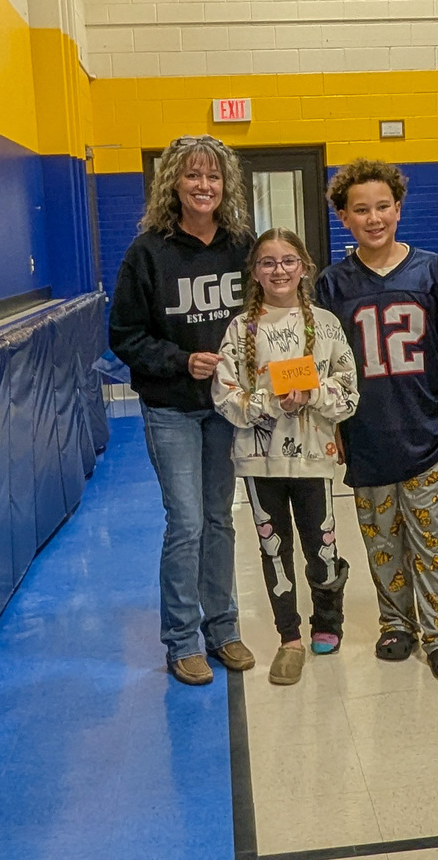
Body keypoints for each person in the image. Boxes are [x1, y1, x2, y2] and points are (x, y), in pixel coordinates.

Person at [315, 159, 438, 680]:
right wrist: (334, 428)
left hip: (428, 428)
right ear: (343, 216)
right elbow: (328, 368)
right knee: (381, 539)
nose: (374, 217)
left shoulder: (431, 271)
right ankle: (396, 623)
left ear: (399, 209)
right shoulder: (331, 285)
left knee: (433, 537)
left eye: (383, 206)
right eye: (361, 209)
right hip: (367, 433)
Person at [109, 134, 255, 686]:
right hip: (171, 407)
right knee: (188, 522)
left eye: (213, 177)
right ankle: (182, 640)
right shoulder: (148, 252)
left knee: (220, 518)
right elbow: (123, 335)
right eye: (193, 176)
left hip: (225, 408)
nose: (203, 186)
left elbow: (267, 315)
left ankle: (223, 628)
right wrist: (178, 360)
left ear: (225, 186)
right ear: (174, 181)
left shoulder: (241, 245)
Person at [212, 228, 358, 686]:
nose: (279, 270)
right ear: (255, 272)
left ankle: (327, 624)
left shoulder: (327, 324)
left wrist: (312, 393)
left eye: (288, 261)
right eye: (268, 262)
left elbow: (349, 394)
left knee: (323, 546)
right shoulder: (240, 330)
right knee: (274, 549)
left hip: (314, 459)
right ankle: (289, 637)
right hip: (260, 465)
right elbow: (225, 395)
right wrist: (271, 403)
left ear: (305, 267)